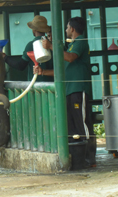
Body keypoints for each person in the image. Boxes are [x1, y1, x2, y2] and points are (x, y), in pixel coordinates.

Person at [34, 17, 96, 167]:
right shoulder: (70, 46)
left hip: (78, 89)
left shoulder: (80, 42)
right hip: (69, 90)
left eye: (67, 28)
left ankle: (90, 156)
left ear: (73, 29)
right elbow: (62, 70)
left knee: (82, 123)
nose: (66, 30)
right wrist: (43, 72)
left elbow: (70, 58)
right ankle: (78, 157)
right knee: (73, 124)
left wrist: (51, 46)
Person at [3, 15, 53, 82]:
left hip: (36, 87)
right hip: (54, 86)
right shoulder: (52, 44)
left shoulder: (31, 45)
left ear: (34, 29)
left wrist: (5, 58)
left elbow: (20, 66)